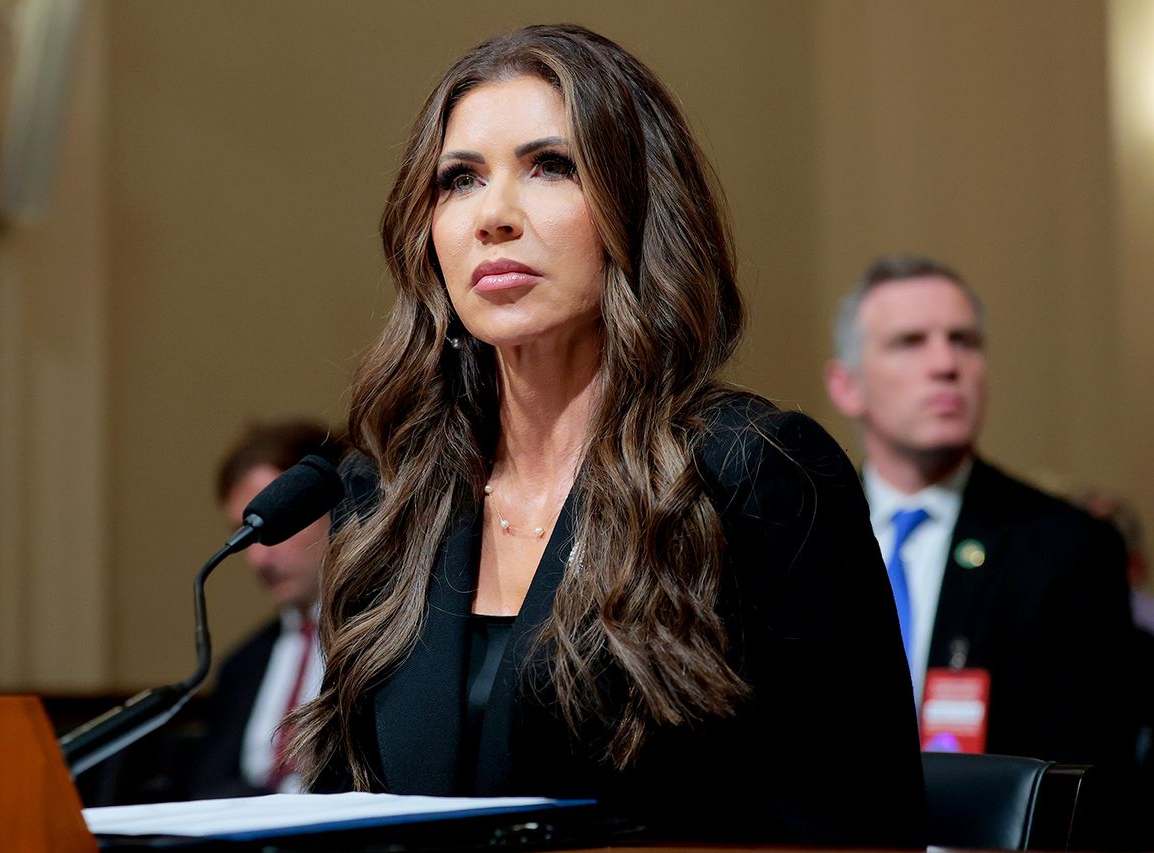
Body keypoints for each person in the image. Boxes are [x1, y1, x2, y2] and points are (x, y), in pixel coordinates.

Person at [285, 25, 924, 846]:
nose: (495, 216)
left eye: (551, 166)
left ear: (635, 204)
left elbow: (859, 825)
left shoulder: (754, 473)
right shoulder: (388, 497)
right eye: (459, 180)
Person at [824, 253, 1135, 766]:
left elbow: (1084, 770)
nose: (946, 364)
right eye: (910, 342)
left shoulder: (1066, 548)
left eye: (963, 341)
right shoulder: (801, 538)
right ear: (847, 386)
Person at [186, 419, 344, 798]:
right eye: (245, 535)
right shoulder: (241, 666)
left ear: (335, 508)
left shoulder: (391, 644)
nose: (258, 560)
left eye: (272, 529)